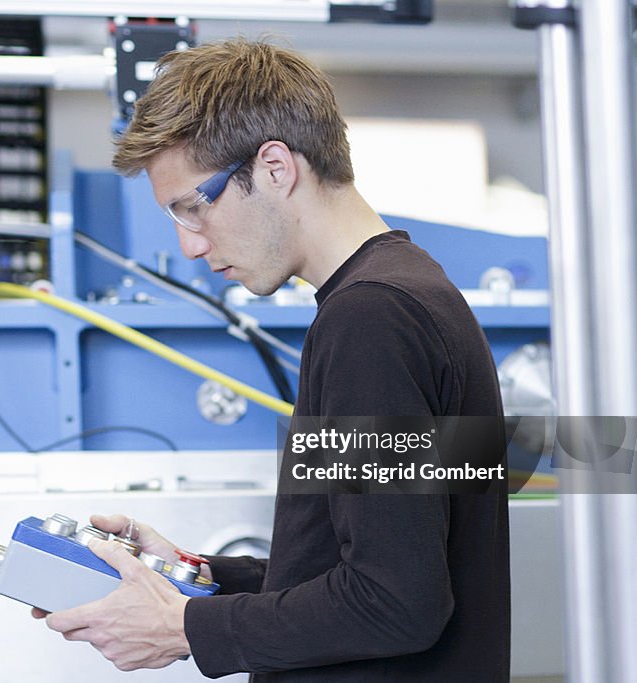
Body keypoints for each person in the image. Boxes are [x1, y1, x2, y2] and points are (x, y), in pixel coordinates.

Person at [37, 38, 511, 681]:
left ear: (276, 167)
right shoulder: (413, 296)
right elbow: (376, 566)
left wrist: (179, 628)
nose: (189, 246)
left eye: (193, 206)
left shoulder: (370, 321)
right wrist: (196, 577)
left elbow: (399, 605)